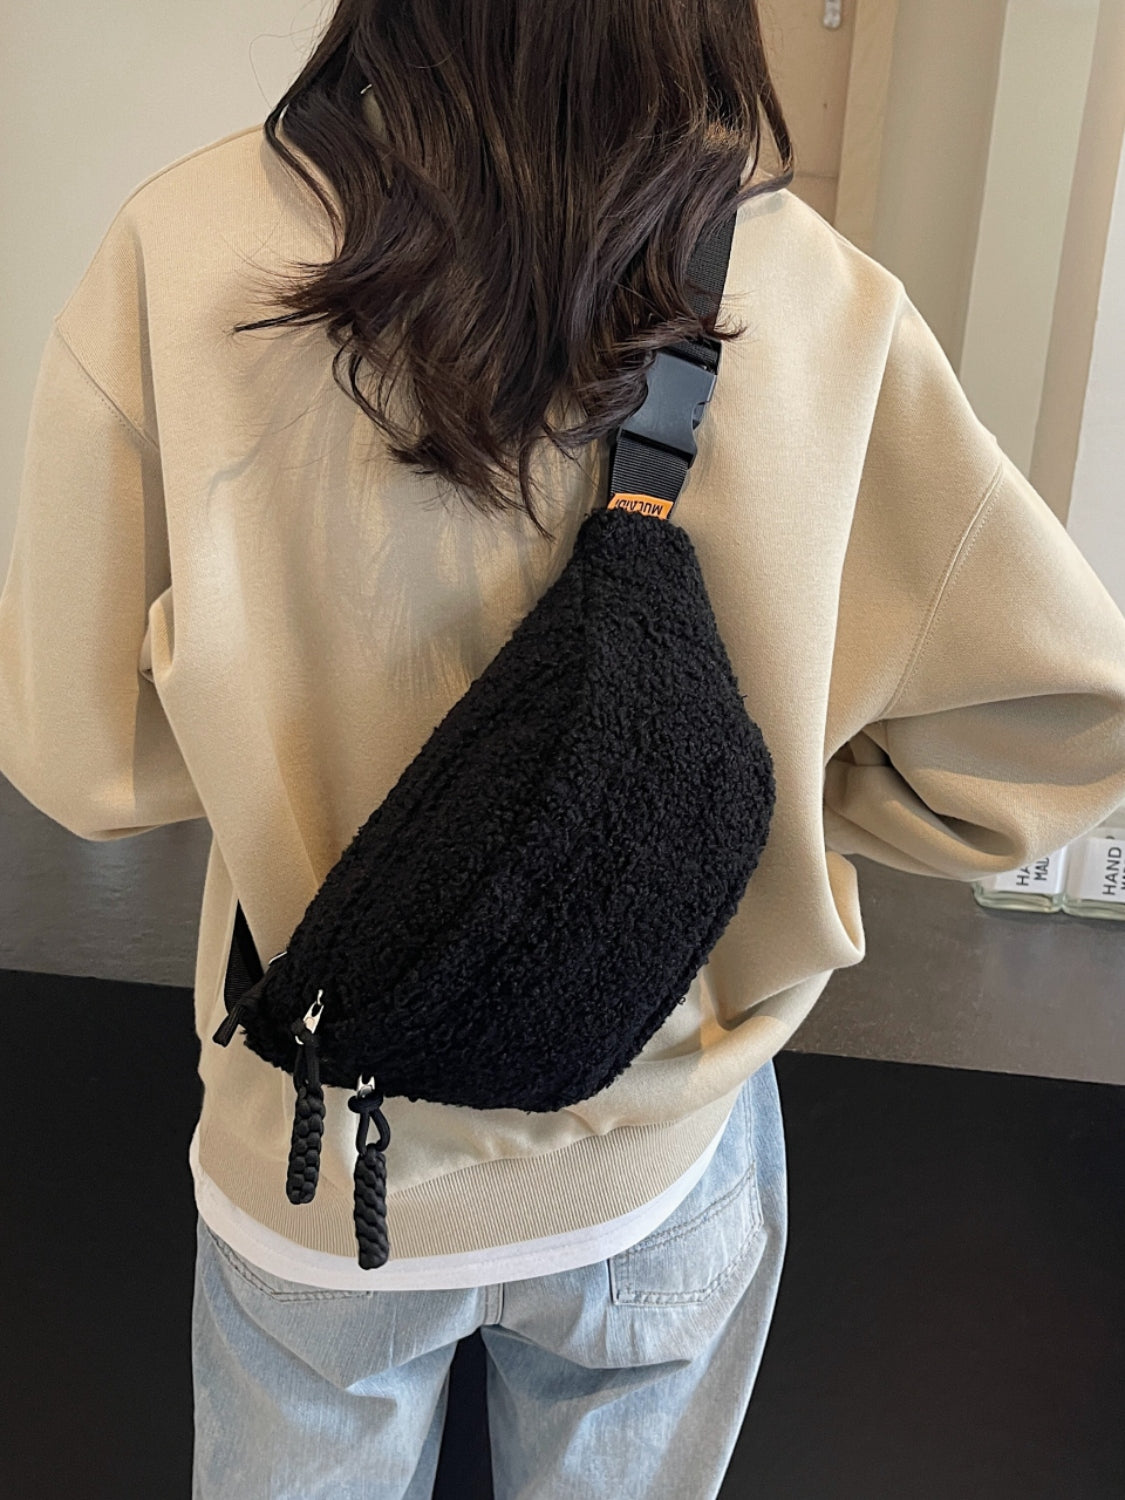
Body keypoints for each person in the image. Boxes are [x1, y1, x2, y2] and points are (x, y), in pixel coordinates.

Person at [3, 3, 1125, 1496]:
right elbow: (1056, 733)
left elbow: (79, 759)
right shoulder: (811, 291)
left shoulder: (187, 247)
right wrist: (735, 808)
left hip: (326, 1149)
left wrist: (278, 759)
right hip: (656, 1141)